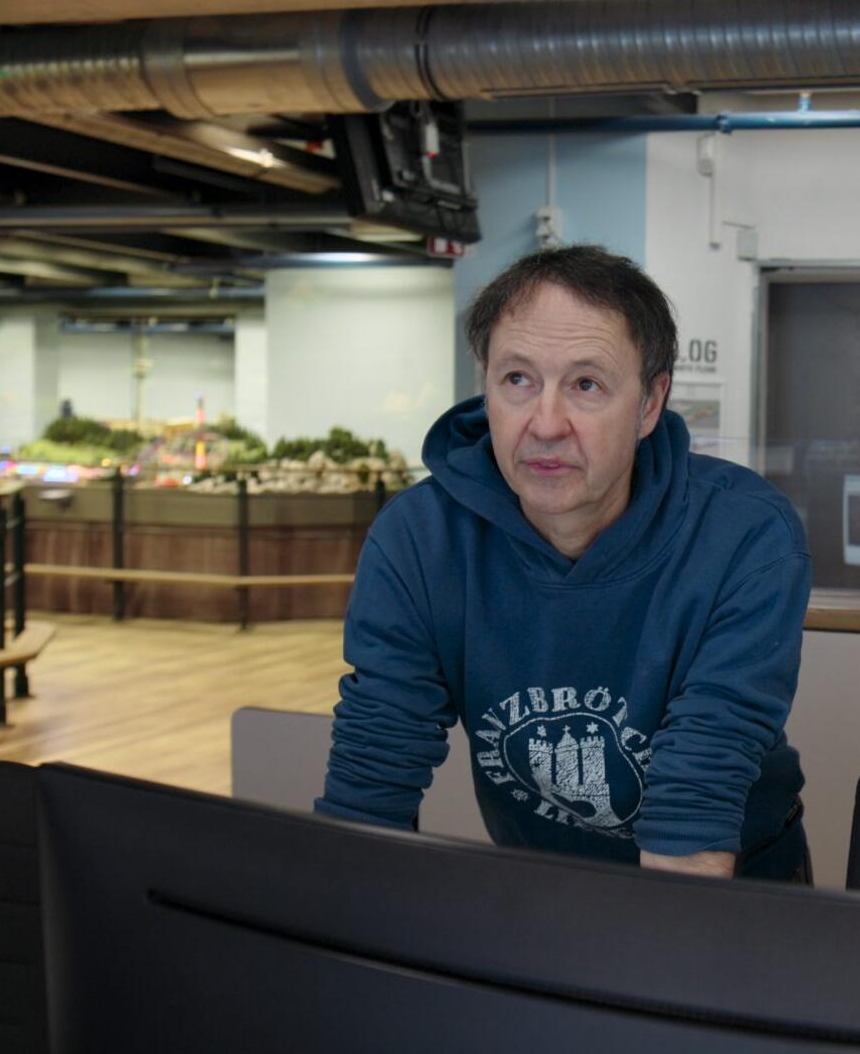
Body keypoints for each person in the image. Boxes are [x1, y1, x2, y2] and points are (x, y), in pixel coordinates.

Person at [317, 245, 812, 881]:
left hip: (730, 887)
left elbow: (696, 793)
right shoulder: (420, 539)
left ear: (649, 405)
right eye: (518, 379)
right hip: (541, 885)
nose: (545, 424)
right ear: (485, 386)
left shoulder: (744, 537)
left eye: (586, 385)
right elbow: (374, 771)